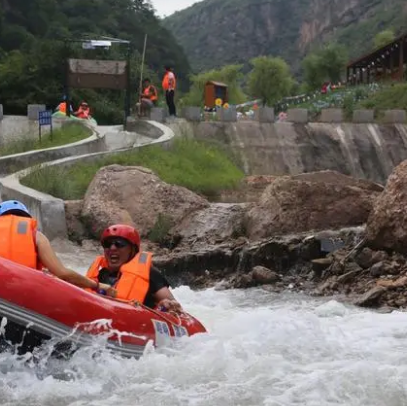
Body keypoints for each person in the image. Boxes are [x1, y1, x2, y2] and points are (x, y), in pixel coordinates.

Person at [0, 200, 116, 297]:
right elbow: (63, 274)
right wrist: (97, 285)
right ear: (26, 219)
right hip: (21, 294)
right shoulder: (36, 236)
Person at [86, 224, 182, 312]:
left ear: (132, 250)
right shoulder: (100, 274)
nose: (112, 248)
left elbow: (175, 307)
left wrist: (167, 304)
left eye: (119, 244)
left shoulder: (149, 274)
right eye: (107, 244)